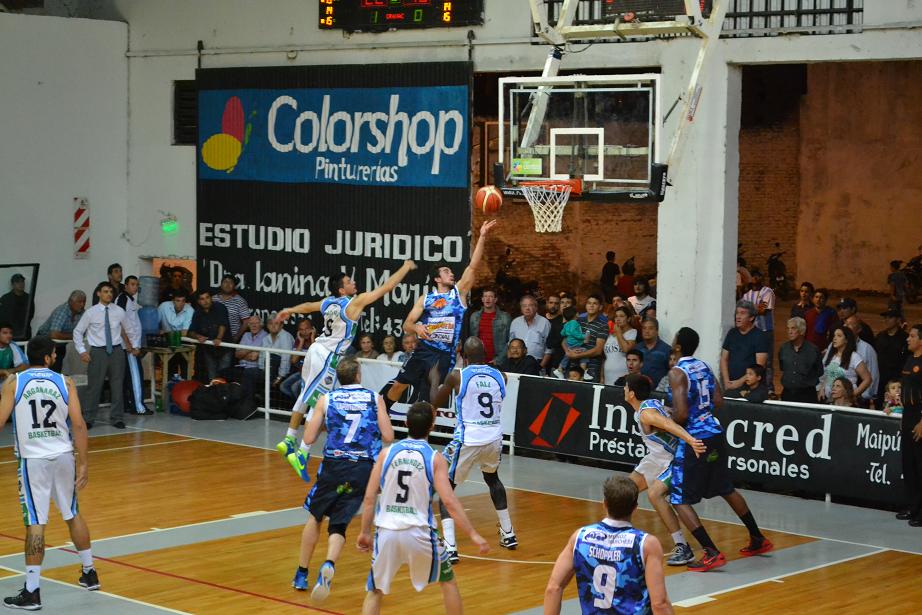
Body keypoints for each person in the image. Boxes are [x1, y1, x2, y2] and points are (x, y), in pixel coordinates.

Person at [276, 260, 416, 474]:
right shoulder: (352, 304)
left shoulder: (329, 302)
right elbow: (386, 288)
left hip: (315, 349)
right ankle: (302, 453)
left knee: (306, 394)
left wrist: (289, 310)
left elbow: (309, 306)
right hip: (326, 355)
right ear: (342, 289)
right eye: (349, 281)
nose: (354, 283)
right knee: (317, 403)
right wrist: (405, 267)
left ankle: (289, 439)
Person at [356, 402, 489, 615]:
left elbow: (370, 497)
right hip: (419, 532)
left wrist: (364, 532)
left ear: (406, 423)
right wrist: (472, 534)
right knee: (448, 582)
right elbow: (449, 501)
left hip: (386, 532)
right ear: (432, 427)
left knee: (375, 591)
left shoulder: (386, 454)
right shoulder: (435, 458)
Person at [0, 336, 99, 610]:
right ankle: (89, 572)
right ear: (47, 358)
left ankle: (32, 591)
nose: (56, 357)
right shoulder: (65, 382)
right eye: (54, 354)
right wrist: (83, 463)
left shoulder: (14, 383)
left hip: (34, 460)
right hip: (64, 456)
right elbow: (79, 425)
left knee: (35, 522)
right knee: (72, 512)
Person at [668, 327, 772, 571]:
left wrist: (664, 417)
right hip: (715, 432)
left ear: (678, 346)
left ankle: (711, 551)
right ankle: (757, 537)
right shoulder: (703, 366)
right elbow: (718, 400)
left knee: (678, 498)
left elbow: (681, 415)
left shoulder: (677, 372)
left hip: (695, 439)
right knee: (726, 488)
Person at [289, 358, 394, 601]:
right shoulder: (374, 398)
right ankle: (329, 563)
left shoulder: (327, 399)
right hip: (362, 468)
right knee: (339, 524)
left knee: (316, 516)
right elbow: (388, 435)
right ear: (358, 375)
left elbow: (310, 437)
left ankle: (302, 573)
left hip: (333, 465)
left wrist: (329, 424)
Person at [385, 220, 496, 407]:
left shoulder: (458, 294)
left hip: (444, 355)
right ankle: (384, 413)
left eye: (451, 271)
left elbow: (472, 267)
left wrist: (483, 236)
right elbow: (406, 325)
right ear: (437, 278)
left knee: (429, 397)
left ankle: (425, 424)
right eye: (446, 271)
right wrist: (416, 328)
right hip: (424, 350)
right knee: (398, 385)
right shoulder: (425, 299)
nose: (451, 274)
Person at [432, 337, 515, 563]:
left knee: (447, 490)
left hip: (469, 438)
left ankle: (450, 545)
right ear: (485, 354)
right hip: (494, 438)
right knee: (493, 479)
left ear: (464, 357)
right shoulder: (502, 376)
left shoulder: (457, 375)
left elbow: (435, 402)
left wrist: (434, 379)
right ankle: (508, 533)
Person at [543, 475, 673, 615]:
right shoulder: (646, 544)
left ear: (604, 503)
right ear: (635, 507)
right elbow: (659, 604)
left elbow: (553, 588)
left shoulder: (580, 537)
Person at [624, 373, 705, 567]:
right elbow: (670, 414)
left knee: (655, 494)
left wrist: (691, 440)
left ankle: (682, 547)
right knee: (624, 492)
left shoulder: (646, 414)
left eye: (625, 387)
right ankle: (618, 536)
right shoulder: (650, 404)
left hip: (674, 459)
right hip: (656, 458)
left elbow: (668, 423)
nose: (623, 390)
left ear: (632, 393)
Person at [72, 282, 135, 429]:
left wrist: (133, 345)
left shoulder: (119, 311)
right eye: (105, 291)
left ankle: (117, 418)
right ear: (99, 293)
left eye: (111, 292)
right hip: (98, 351)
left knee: (117, 386)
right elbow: (78, 332)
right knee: (94, 386)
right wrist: (82, 351)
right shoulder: (91, 312)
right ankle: (88, 418)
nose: (109, 294)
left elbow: (129, 328)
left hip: (116, 350)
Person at [898, 325, 922, 527]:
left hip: (919, 417)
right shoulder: (909, 360)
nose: (908, 339)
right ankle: (912, 507)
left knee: (920, 465)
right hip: (908, 415)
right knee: (909, 465)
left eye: (912, 336)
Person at [115, 276, 149, 415]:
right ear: (126, 286)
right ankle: (139, 407)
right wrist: (130, 345)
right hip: (129, 347)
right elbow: (119, 322)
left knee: (128, 377)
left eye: (137, 285)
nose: (135, 287)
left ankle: (128, 405)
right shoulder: (123, 299)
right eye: (132, 284)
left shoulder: (131, 300)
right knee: (136, 377)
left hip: (132, 345)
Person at [720, 301, 770, 392]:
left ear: (751, 317)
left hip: (750, 389)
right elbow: (724, 359)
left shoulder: (760, 336)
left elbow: (759, 367)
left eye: (742, 313)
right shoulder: (732, 333)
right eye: (737, 313)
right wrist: (726, 382)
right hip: (730, 385)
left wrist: (738, 382)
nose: (738, 316)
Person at [188, 289, 233, 383]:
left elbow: (223, 324)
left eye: (207, 297)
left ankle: (223, 392)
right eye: (202, 299)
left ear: (211, 298)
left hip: (224, 347)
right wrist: (198, 336)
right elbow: (191, 331)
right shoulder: (197, 312)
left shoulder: (220, 307)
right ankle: (213, 392)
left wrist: (219, 338)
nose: (206, 301)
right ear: (198, 301)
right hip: (209, 349)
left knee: (223, 377)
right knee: (212, 377)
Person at [36, 290, 86, 372]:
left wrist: (75, 335)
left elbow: (83, 333)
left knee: (56, 370)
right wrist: (74, 336)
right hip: (44, 341)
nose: (82, 305)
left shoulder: (83, 312)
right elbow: (54, 334)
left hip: (60, 344)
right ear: (70, 301)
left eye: (84, 302)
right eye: (79, 302)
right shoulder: (62, 311)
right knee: (42, 370)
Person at [819, 326, 872, 402]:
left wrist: (852, 395)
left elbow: (867, 379)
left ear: (846, 340)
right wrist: (822, 388)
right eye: (834, 335)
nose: (834, 338)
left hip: (845, 402)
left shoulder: (854, 357)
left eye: (839, 336)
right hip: (828, 399)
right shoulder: (831, 355)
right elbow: (827, 375)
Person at [778, 317, 824, 403]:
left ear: (802, 331)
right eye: (788, 328)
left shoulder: (813, 350)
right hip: (787, 393)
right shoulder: (783, 348)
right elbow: (783, 368)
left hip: (807, 394)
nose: (789, 331)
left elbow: (819, 371)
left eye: (793, 328)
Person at [566, 294, 608, 382]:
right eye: (589, 303)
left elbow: (598, 350)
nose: (591, 305)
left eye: (594, 303)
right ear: (586, 305)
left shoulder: (603, 325)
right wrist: (568, 351)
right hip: (573, 366)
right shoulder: (577, 321)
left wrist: (577, 355)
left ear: (600, 307)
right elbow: (564, 339)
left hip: (591, 369)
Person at [508, 294, 552, 372]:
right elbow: (509, 345)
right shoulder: (515, 322)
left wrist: (540, 367)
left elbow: (549, 349)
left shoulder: (545, 323)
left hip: (537, 364)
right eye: (524, 306)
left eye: (530, 305)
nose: (527, 308)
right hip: (517, 364)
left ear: (536, 307)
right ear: (521, 308)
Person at [467, 288, 511, 365]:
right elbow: (471, 340)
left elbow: (509, 341)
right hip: (478, 361)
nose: (487, 299)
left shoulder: (505, 317)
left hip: (497, 361)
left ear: (495, 300)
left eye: (490, 296)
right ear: (482, 299)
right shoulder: (474, 317)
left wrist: (499, 360)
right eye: (485, 296)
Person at [876, 306, 908, 408]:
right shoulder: (880, 336)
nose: (887, 320)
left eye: (890, 317)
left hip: (897, 382)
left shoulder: (905, 338)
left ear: (898, 320)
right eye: (885, 317)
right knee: (879, 405)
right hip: (881, 380)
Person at [845, 314, 880, 407]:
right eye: (845, 324)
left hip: (858, 398)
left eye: (850, 324)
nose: (846, 326)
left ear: (859, 329)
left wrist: (864, 396)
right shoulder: (835, 346)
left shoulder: (867, 349)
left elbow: (873, 375)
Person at [281, 319, 315, 400]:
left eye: (307, 329)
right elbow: (293, 360)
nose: (305, 332)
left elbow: (316, 357)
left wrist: (312, 338)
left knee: (295, 387)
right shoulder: (299, 340)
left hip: (313, 374)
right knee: (283, 387)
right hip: (301, 372)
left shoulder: (318, 339)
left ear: (312, 328)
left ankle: (301, 405)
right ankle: (299, 403)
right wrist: (301, 342)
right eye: (301, 330)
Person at [603, 305, 637, 385]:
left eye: (621, 316)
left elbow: (625, 349)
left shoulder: (632, 332)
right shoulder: (610, 335)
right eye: (616, 316)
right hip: (607, 376)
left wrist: (618, 332)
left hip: (622, 375)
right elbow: (605, 357)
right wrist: (602, 377)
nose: (618, 319)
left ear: (628, 319)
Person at [213, 273, 251, 341]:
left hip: (231, 339)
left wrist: (236, 337)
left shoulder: (240, 301)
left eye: (230, 282)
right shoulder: (213, 299)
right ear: (221, 284)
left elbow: (246, 321)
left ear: (234, 286)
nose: (227, 285)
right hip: (213, 338)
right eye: (225, 282)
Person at [260, 318, 295, 391]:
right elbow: (262, 356)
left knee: (272, 358)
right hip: (268, 371)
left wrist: (279, 377)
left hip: (284, 371)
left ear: (281, 325)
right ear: (267, 326)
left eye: (276, 323)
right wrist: (262, 371)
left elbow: (286, 358)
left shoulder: (286, 336)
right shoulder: (265, 338)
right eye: (270, 323)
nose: (273, 326)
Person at [637, 318, 672, 386]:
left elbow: (671, 371)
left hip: (659, 390)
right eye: (644, 328)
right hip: (639, 389)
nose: (647, 331)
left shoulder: (666, 349)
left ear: (657, 331)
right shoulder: (637, 348)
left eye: (650, 328)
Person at [554, 306, 586, 378]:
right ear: (576, 314)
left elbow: (562, 333)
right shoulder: (574, 322)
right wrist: (583, 336)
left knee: (566, 356)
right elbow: (574, 332)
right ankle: (583, 372)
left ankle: (560, 369)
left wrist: (567, 334)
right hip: (575, 343)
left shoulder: (566, 323)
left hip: (569, 343)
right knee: (584, 351)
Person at [0, 273, 34, 339]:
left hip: (25, 333)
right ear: (12, 284)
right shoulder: (5, 298)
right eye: (17, 282)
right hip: (9, 333)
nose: (21, 284)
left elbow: (30, 315)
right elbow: (2, 318)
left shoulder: (29, 298)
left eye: (22, 282)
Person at [544, 293, 565, 370]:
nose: (553, 305)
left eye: (556, 303)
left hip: (556, 361)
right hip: (540, 358)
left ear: (559, 305)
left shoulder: (563, 321)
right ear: (547, 303)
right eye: (551, 302)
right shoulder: (540, 319)